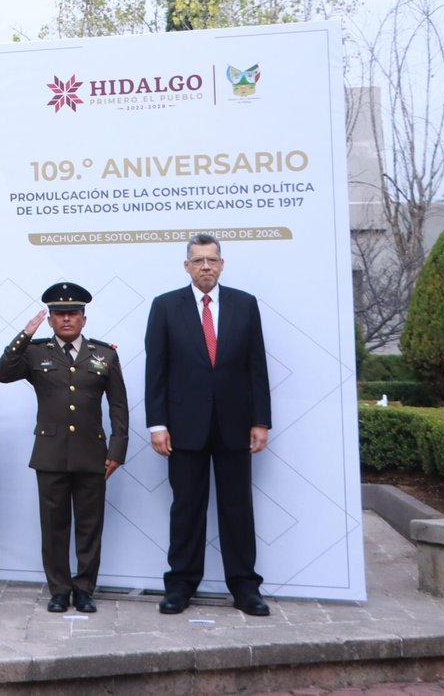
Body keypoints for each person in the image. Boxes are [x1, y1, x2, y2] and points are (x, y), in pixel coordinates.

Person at [145, 235, 273, 616]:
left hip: (235, 424)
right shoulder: (165, 306)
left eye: (212, 260)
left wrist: (261, 421)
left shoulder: (245, 304)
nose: (205, 266)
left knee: (237, 507)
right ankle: (180, 585)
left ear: (222, 264)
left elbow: (257, 367)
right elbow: (157, 371)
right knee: (186, 508)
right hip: (183, 427)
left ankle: (245, 587)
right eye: (198, 260)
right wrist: (157, 424)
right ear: (187, 266)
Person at [0, 282, 128, 614]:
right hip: (51, 454)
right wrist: (25, 334)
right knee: (53, 527)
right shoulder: (36, 352)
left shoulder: (104, 354)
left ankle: (84, 588)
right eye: (59, 314)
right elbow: (2, 372)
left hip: (91, 453)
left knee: (89, 525)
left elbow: (118, 407)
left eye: (72, 313)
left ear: (84, 318)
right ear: (51, 319)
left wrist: (117, 451)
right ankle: (58, 589)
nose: (66, 319)